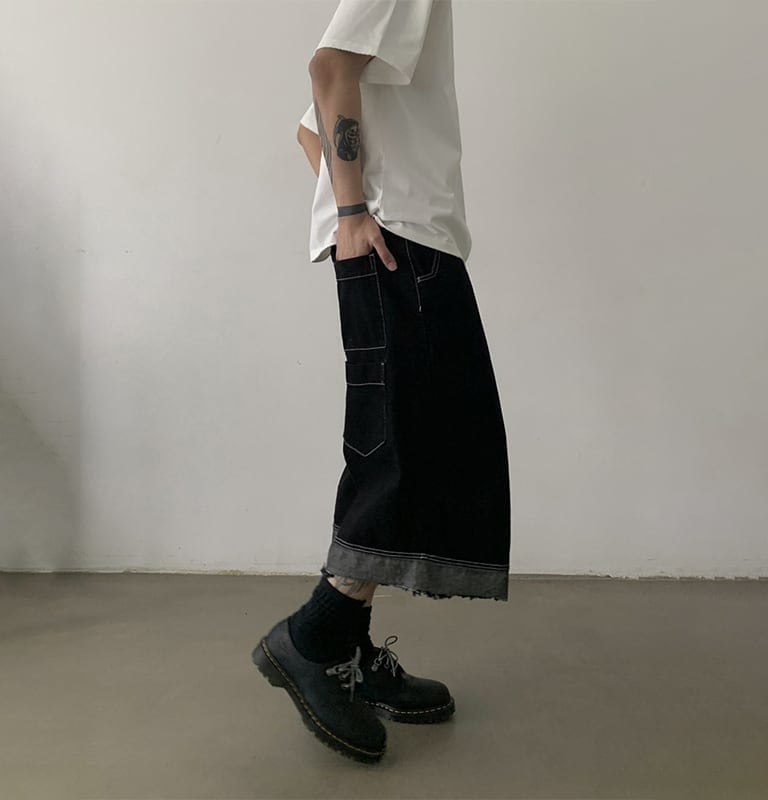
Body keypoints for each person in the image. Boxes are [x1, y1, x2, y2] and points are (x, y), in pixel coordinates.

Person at [252, 0, 511, 764]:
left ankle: (350, 651)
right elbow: (329, 71)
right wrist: (357, 212)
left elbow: (310, 128)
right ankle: (316, 636)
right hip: (402, 239)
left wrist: (351, 213)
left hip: (400, 237)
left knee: (420, 439)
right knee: (408, 449)